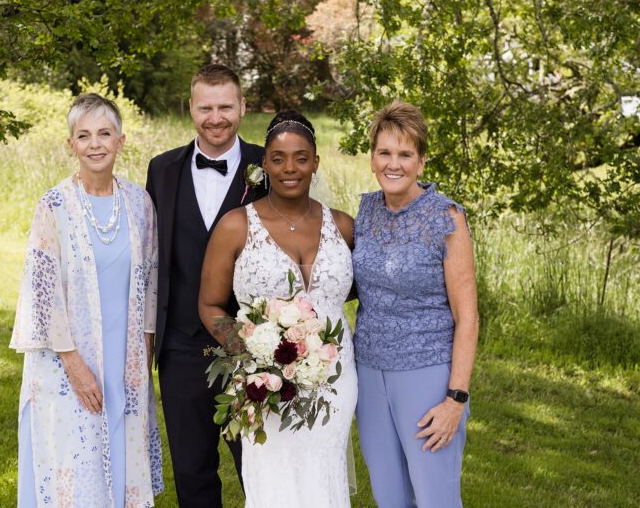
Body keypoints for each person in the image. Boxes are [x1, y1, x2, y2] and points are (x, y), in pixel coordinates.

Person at [198, 110, 358, 507]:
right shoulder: (236, 226)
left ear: (316, 163)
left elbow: (365, 292)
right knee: (273, 482)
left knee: (324, 475)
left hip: (335, 381)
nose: (290, 168)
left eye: (301, 157)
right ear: (264, 163)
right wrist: (254, 357)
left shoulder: (344, 226)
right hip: (264, 386)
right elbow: (210, 303)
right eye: (279, 158)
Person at [10, 93, 162, 508]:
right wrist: (74, 365)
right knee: (73, 468)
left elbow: (149, 282)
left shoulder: (139, 204)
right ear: (70, 144)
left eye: (104, 133)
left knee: (120, 460)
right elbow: (42, 292)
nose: (95, 144)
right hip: (67, 362)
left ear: (121, 140)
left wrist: (144, 358)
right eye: (84, 135)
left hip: (124, 361)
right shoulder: (54, 205)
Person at [145, 64, 265, 507]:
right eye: (206, 108)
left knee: (260, 469)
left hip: (254, 350)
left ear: (243, 107)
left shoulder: (270, 165)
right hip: (180, 348)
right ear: (191, 109)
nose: (217, 118)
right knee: (192, 474)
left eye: (226, 107)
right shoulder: (162, 170)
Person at [352, 100, 479, 508]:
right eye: (385, 152)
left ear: (421, 162)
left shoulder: (446, 217)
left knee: (435, 498)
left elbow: (468, 316)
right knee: (389, 497)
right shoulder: (366, 209)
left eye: (405, 154)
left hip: (427, 375)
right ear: (372, 157)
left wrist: (455, 399)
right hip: (369, 374)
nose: (394, 164)